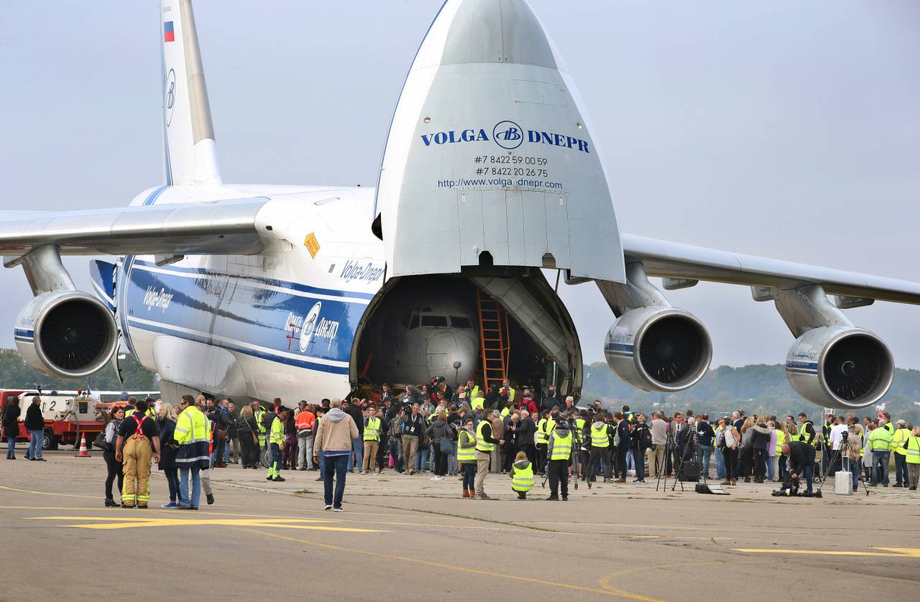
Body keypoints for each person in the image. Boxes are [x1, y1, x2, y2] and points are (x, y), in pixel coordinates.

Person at [313, 398, 359, 511]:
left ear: (330, 406)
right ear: (341, 406)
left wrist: (315, 452)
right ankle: (337, 504)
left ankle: (328, 502)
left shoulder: (324, 418)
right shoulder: (348, 418)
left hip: (328, 451)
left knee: (328, 476)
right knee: (341, 478)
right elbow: (356, 434)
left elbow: (318, 436)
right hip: (343, 451)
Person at [115, 399, 161, 508]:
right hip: (144, 447)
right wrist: (158, 453)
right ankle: (142, 502)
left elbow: (120, 437)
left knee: (129, 474)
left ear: (135, 408)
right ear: (146, 409)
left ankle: (128, 502)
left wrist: (117, 450)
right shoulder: (150, 421)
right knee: (143, 475)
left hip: (129, 446)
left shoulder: (127, 420)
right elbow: (155, 439)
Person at [174, 395, 209, 510]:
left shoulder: (185, 415)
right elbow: (207, 432)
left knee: (183, 476)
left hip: (187, 448)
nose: (181, 406)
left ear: (188, 403)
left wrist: (176, 442)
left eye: (182, 404)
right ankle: (195, 503)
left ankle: (185, 502)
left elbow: (180, 432)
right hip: (201, 449)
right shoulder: (202, 416)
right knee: (195, 477)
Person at [155, 401, 181, 509]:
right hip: (173, 451)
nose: (158, 412)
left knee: (170, 476)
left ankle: (173, 500)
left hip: (167, 451)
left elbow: (162, 438)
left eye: (161, 410)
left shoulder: (167, 423)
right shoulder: (172, 422)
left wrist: (156, 448)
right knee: (174, 476)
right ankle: (181, 498)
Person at [474, 408, 502, 500]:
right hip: (483, 452)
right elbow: (487, 439)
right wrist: (498, 441)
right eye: (492, 414)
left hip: (480, 451)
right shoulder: (486, 425)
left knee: (480, 473)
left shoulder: (482, 424)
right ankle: (478, 492)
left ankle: (481, 491)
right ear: (488, 415)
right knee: (482, 473)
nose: (494, 416)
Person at [102, 407, 125, 506]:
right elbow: (109, 439)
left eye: (123, 412)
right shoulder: (112, 424)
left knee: (121, 475)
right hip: (111, 452)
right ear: (114, 414)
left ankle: (124, 497)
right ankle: (108, 498)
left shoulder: (123, 423)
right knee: (112, 475)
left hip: (120, 451)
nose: (122, 414)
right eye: (119, 412)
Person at [546, 418, 572, 501]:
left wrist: (548, 456)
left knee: (554, 477)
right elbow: (571, 445)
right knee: (564, 477)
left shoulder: (554, 433)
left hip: (555, 458)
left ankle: (554, 495)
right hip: (565, 457)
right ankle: (564, 495)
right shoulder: (570, 433)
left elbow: (550, 447)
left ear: (556, 424)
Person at [425, 411, 454, 481]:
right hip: (443, 442)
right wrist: (450, 437)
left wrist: (432, 437)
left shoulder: (434, 424)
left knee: (436, 458)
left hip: (435, 442)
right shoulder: (445, 424)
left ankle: (436, 473)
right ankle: (441, 473)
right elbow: (450, 432)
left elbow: (426, 431)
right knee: (443, 458)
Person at [587, 415, 611, 487]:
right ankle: (607, 478)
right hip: (603, 446)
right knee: (607, 463)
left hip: (595, 445)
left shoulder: (593, 426)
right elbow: (610, 432)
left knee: (591, 462)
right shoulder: (606, 426)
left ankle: (589, 476)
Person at [401, 403, 424, 475]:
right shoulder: (407, 415)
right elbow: (398, 423)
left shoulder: (420, 417)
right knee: (405, 453)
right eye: (414, 408)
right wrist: (402, 416)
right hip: (406, 436)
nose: (415, 410)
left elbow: (423, 427)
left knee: (412, 452)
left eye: (417, 409)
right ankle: (406, 468)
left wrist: (426, 436)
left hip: (415, 437)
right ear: (412, 408)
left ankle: (411, 468)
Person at [458, 416, 478, 498]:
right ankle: (472, 491)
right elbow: (463, 445)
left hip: (471, 457)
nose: (470, 426)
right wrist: (475, 443)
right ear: (465, 425)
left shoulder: (471, 433)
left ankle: (465, 491)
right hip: (468, 457)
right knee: (471, 475)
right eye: (469, 424)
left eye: (472, 424)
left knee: (466, 475)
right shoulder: (464, 433)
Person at [868, 419, 893, 486]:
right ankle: (885, 483)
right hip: (885, 451)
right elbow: (890, 443)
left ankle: (874, 482)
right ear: (884, 425)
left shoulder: (874, 432)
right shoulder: (887, 433)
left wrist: (871, 448)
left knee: (874, 467)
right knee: (885, 467)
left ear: (879, 424)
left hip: (876, 451)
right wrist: (888, 449)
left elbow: (869, 441)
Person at [266, 406, 288, 482]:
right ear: (281, 412)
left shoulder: (280, 421)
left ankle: (270, 474)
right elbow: (276, 434)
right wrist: (280, 443)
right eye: (285, 411)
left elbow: (280, 433)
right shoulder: (277, 421)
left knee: (274, 459)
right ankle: (276, 475)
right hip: (276, 442)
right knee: (277, 459)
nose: (286, 413)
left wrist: (283, 441)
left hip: (275, 442)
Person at [237, 404, 260, 469]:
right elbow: (255, 426)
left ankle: (244, 464)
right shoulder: (251, 417)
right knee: (252, 449)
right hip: (249, 434)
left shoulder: (240, 417)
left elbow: (236, 425)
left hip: (240, 434)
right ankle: (253, 464)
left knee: (243, 449)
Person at [295, 401, 316, 470]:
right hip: (308, 433)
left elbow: (296, 426)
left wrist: (297, 434)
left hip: (301, 433)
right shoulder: (311, 415)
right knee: (309, 449)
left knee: (301, 450)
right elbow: (313, 426)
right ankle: (309, 465)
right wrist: (313, 434)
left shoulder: (299, 415)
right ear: (310, 410)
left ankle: (300, 465)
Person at [630, 414, 651, 483]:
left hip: (637, 445)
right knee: (642, 461)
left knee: (638, 462)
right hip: (644, 446)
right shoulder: (646, 427)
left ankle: (640, 477)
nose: (637, 418)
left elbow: (632, 434)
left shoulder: (638, 427)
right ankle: (642, 476)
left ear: (642, 419)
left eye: (639, 417)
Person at [720, 419, 740, 486]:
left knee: (733, 464)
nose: (720, 424)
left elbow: (738, 437)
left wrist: (734, 444)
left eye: (722, 422)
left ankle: (734, 478)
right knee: (727, 464)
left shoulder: (732, 428)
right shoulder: (724, 430)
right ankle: (727, 478)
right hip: (726, 448)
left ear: (725, 423)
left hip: (733, 448)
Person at [24, 396, 45, 461]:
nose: (40, 402)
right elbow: (39, 419)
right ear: (36, 402)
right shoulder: (37, 409)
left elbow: (28, 418)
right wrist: (42, 424)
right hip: (37, 428)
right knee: (39, 442)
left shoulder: (29, 408)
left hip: (31, 428)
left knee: (32, 442)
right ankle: (38, 456)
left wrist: (28, 426)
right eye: (39, 401)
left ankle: (31, 456)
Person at [891, 420, 911, 487]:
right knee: (905, 468)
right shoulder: (909, 431)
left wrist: (893, 449)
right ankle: (907, 482)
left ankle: (899, 482)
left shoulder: (898, 431)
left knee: (899, 468)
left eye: (897, 424)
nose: (897, 425)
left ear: (900, 425)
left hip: (899, 451)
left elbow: (895, 442)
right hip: (907, 452)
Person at [363, 406, 382, 474]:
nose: (372, 411)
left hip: (375, 439)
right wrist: (368, 418)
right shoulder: (366, 419)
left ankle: (372, 469)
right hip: (367, 439)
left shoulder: (378, 420)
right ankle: (364, 469)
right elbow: (365, 425)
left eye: (373, 410)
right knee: (366, 456)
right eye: (370, 410)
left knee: (373, 456)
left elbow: (381, 429)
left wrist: (379, 432)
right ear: (368, 412)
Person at [696, 414, 715, 479]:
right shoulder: (708, 427)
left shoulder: (698, 425)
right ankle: (705, 474)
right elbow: (713, 435)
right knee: (706, 460)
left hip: (699, 443)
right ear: (708, 418)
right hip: (707, 444)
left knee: (699, 459)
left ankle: (698, 473)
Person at [906, 426, 920, 491]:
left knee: (910, 472)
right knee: (917, 472)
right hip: (917, 458)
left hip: (909, 457)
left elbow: (904, 446)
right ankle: (915, 485)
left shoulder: (910, 438)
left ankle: (911, 485)